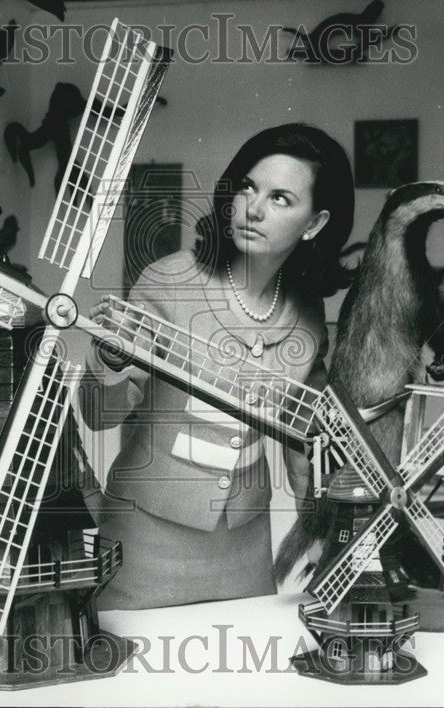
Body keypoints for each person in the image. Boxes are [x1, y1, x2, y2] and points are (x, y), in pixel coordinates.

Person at [77, 123, 355, 610]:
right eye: (248, 187)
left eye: (280, 198)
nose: (254, 208)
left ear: (314, 223)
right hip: (145, 542)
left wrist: (321, 528)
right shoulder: (170, 280)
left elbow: (305, 436)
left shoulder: (308, 314)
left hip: (245, 550)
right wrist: (111, 358)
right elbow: (99, 415)